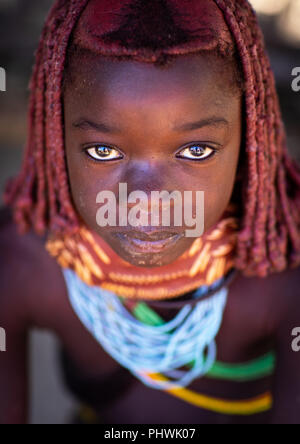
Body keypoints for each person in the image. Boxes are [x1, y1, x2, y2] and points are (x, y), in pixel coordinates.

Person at [0, 0, 300, 425]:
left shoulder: (286, 276)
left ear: (251, 138)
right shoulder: (19, 263)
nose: (146, 199)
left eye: (196, 150)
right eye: (104, 151)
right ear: (55, 137)